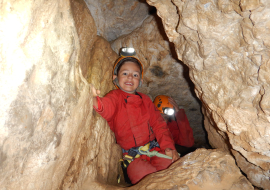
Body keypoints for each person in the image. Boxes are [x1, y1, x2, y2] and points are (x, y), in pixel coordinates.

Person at [91, 48, 179, 184]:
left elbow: (159, 125)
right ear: (115, 78)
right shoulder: (115, 97)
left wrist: (169, 147)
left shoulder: (146, 100)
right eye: (125, 73)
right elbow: (107, 108)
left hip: (154, 149)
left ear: (140, 80)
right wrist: (95, 101)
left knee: (170, 166)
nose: (130, 77)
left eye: (135, 75)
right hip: (132, 157)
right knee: (143, 176)